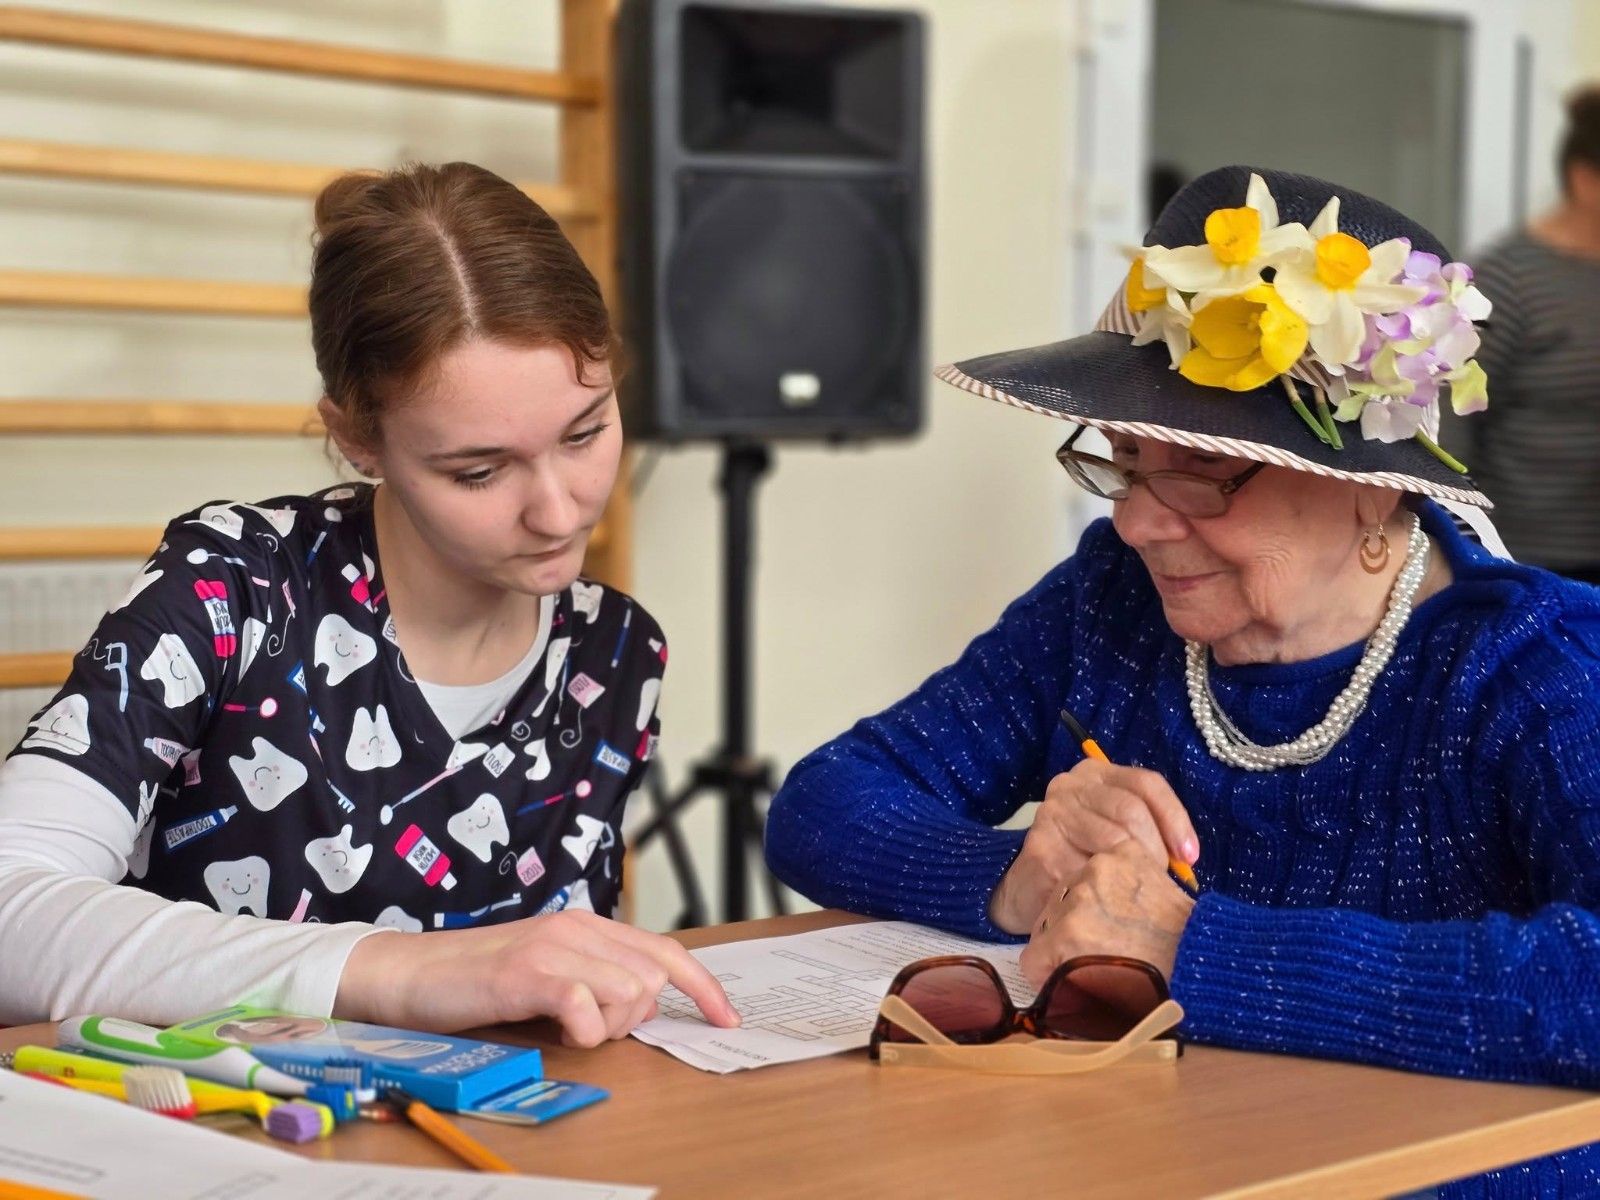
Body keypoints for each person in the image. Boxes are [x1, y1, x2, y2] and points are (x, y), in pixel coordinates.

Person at [766, 165, 1600, 1195]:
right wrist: (1014, 876)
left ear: (1369, 488)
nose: (1136, 520)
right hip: (1149, 1164)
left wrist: (1191, 947)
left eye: (1204, 471)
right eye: (1124, 459)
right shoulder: (1111, 604)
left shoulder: (1538, 667)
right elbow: (823, 801)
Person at [0, 162, 739, 1045]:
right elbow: (10, 909)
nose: (558, 510)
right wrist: (398, 972)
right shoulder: (234, 587)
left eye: (586, 433)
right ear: (358, 438)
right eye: (479, 471)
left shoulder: (614, 650)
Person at [1444, 85, 1600, 580]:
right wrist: (1470, 553)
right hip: (1532, 564)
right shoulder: (1509, 279)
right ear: (1585, 181)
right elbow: (1453, 427)